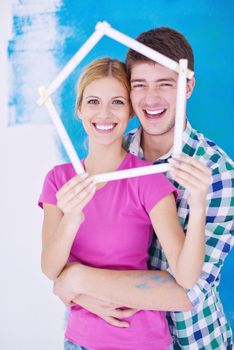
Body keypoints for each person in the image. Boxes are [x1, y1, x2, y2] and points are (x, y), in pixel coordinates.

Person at [53, 28, 234, 349]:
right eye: (139, 85)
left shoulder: (217, 171)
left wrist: (75, 281)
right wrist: (74, 287)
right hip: (113, 334)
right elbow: (70, 254)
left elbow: (187, 292)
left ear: (188, 86)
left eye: (165, 84)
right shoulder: (112, 152)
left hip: (192, 339)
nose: (151, 99)